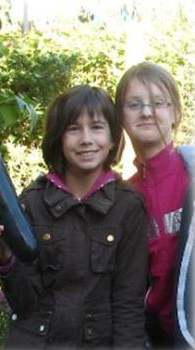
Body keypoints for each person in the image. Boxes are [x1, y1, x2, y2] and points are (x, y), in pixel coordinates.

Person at [0, 85, 148, 349]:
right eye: (73, 128)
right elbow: (23, 303)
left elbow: (128, 304)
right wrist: (6, 254)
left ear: (113, 138)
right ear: (58, 138)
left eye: (96, 127)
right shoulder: (32, 201)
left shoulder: (128, 206)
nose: (86, 139)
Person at [115, 62, 195, 349]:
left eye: (158, 103)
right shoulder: (123, 197)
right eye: (134, 104)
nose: (147, 112)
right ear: (120, 117)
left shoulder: (192, 175)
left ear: (175, 112)